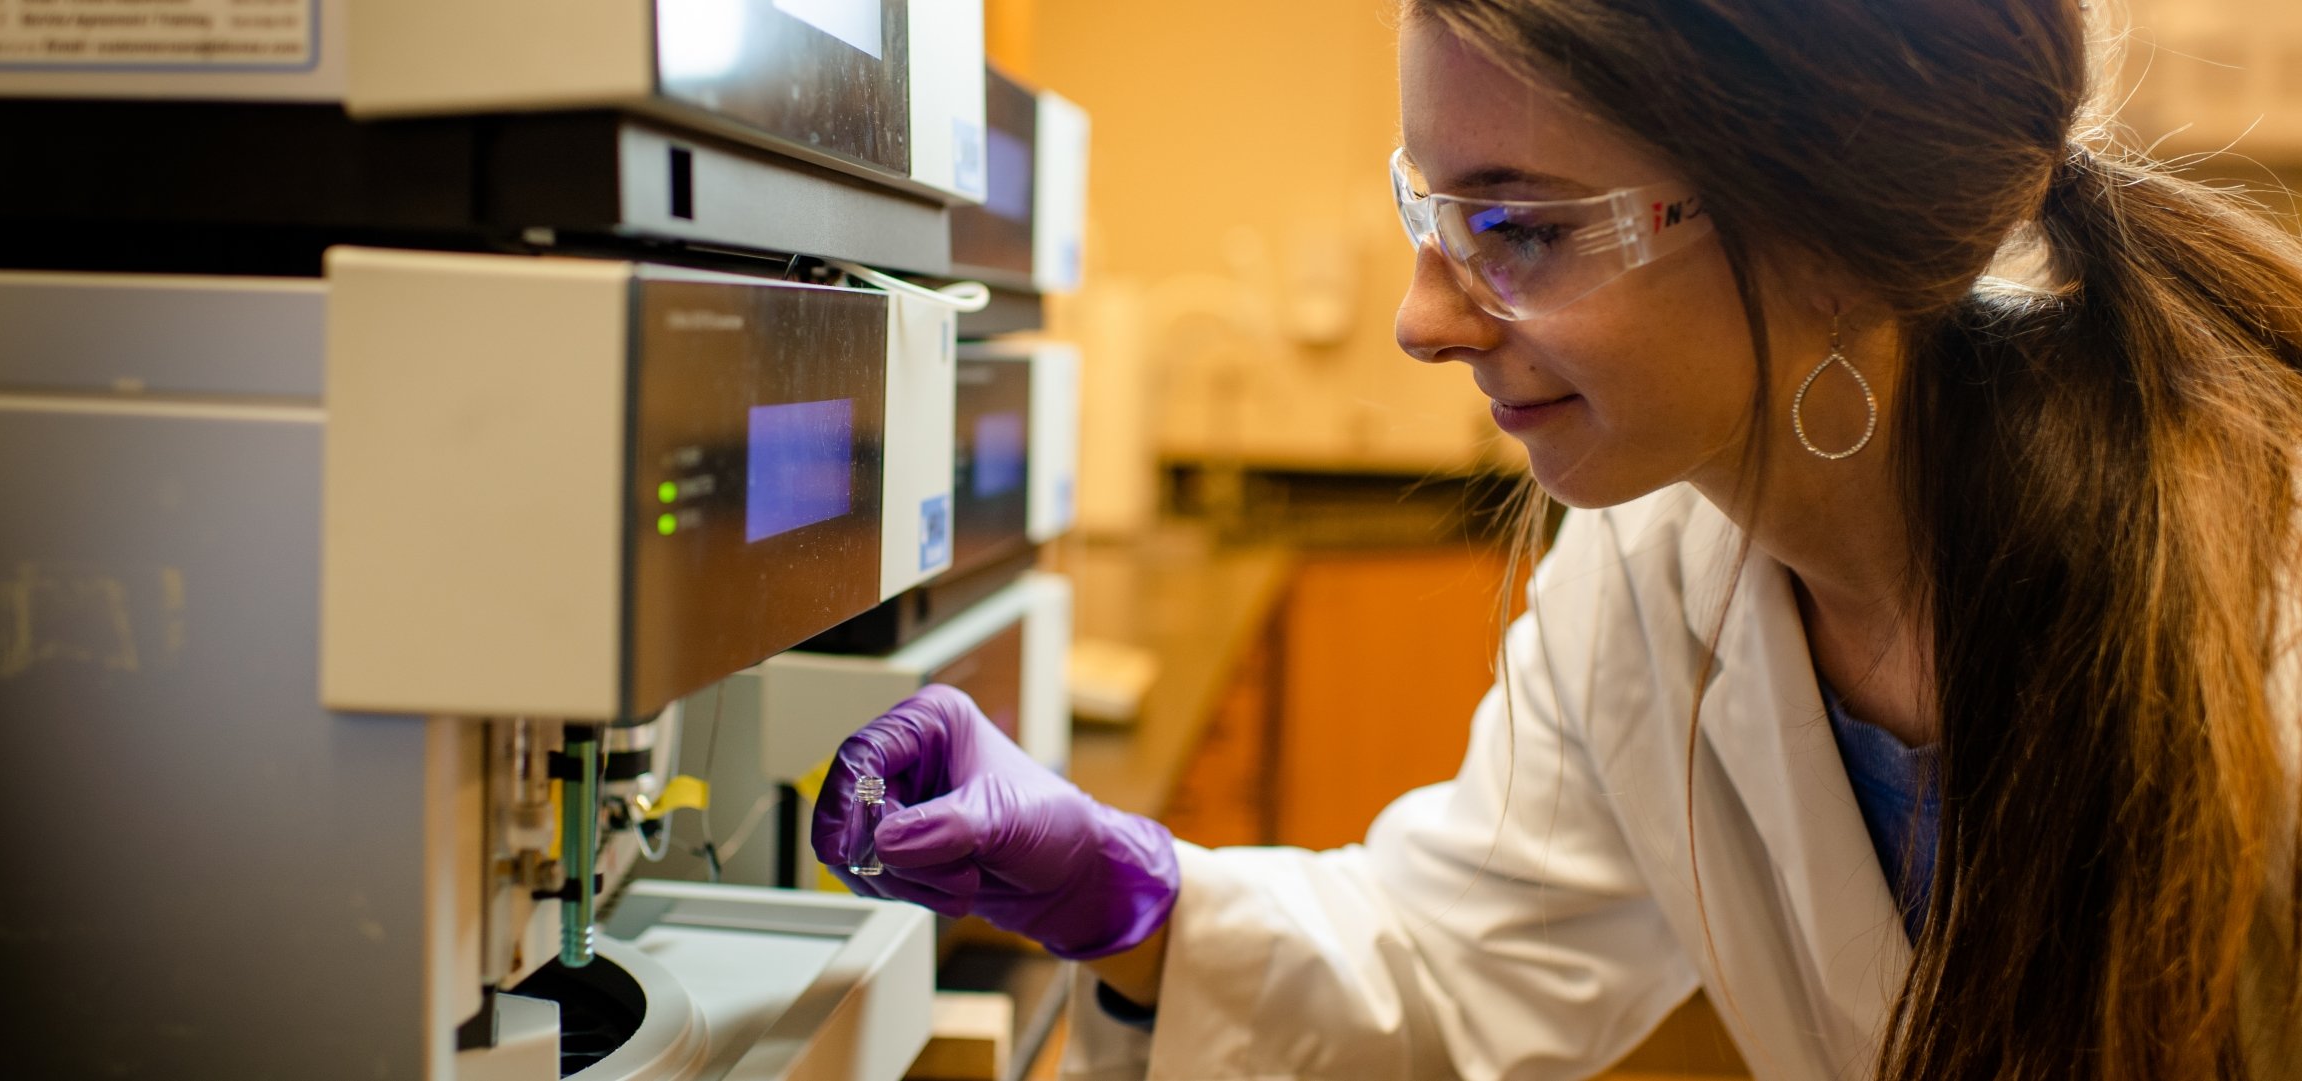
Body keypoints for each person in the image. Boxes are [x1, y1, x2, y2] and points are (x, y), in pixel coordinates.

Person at [814, 1, 2302, 1077]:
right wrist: (1125, 891)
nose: (1422, 319)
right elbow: (1457, 962)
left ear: (1834, 230)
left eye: (1516, 230)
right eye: (1430, 214)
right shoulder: (1662, 565)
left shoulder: (2264, 612)